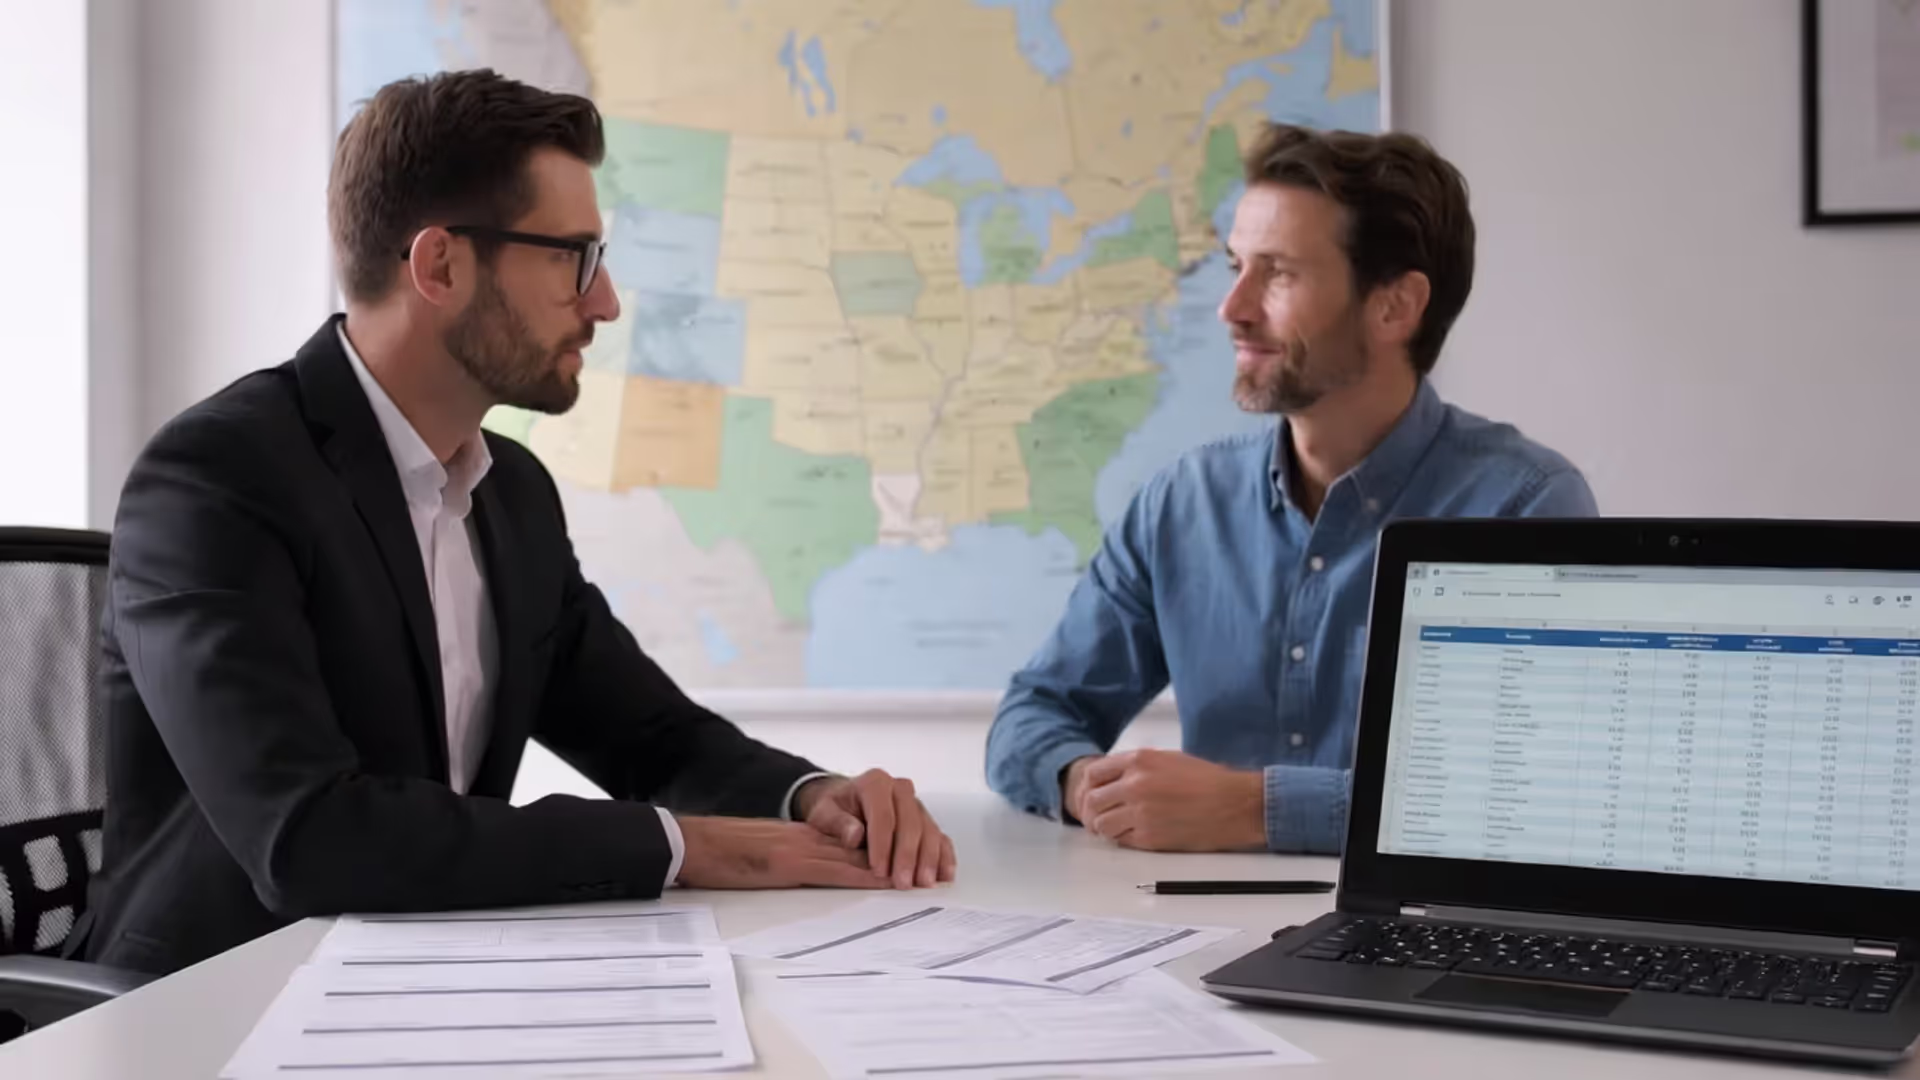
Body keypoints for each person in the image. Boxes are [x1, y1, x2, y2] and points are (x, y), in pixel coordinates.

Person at [77, 70, 953, 976]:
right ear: (442, 266)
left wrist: (812, 799)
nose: (606, 301)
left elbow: (650, 736)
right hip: (210, 1004)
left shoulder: (513, 493)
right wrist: (683, 848)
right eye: (574, 257)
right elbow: (308, 838)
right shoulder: (215, 481)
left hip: (417, 980)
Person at [985, 123, 1597, 856]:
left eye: (1277, 273)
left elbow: (1530, 789)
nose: (1232, 307)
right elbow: (1034, 713)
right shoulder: (1182, 503)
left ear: (1395, 307)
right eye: (1236, 265)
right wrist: (1086, 783)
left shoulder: (1521, 506)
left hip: (1418, 939)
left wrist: (1257, 809)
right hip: (1179, 929)